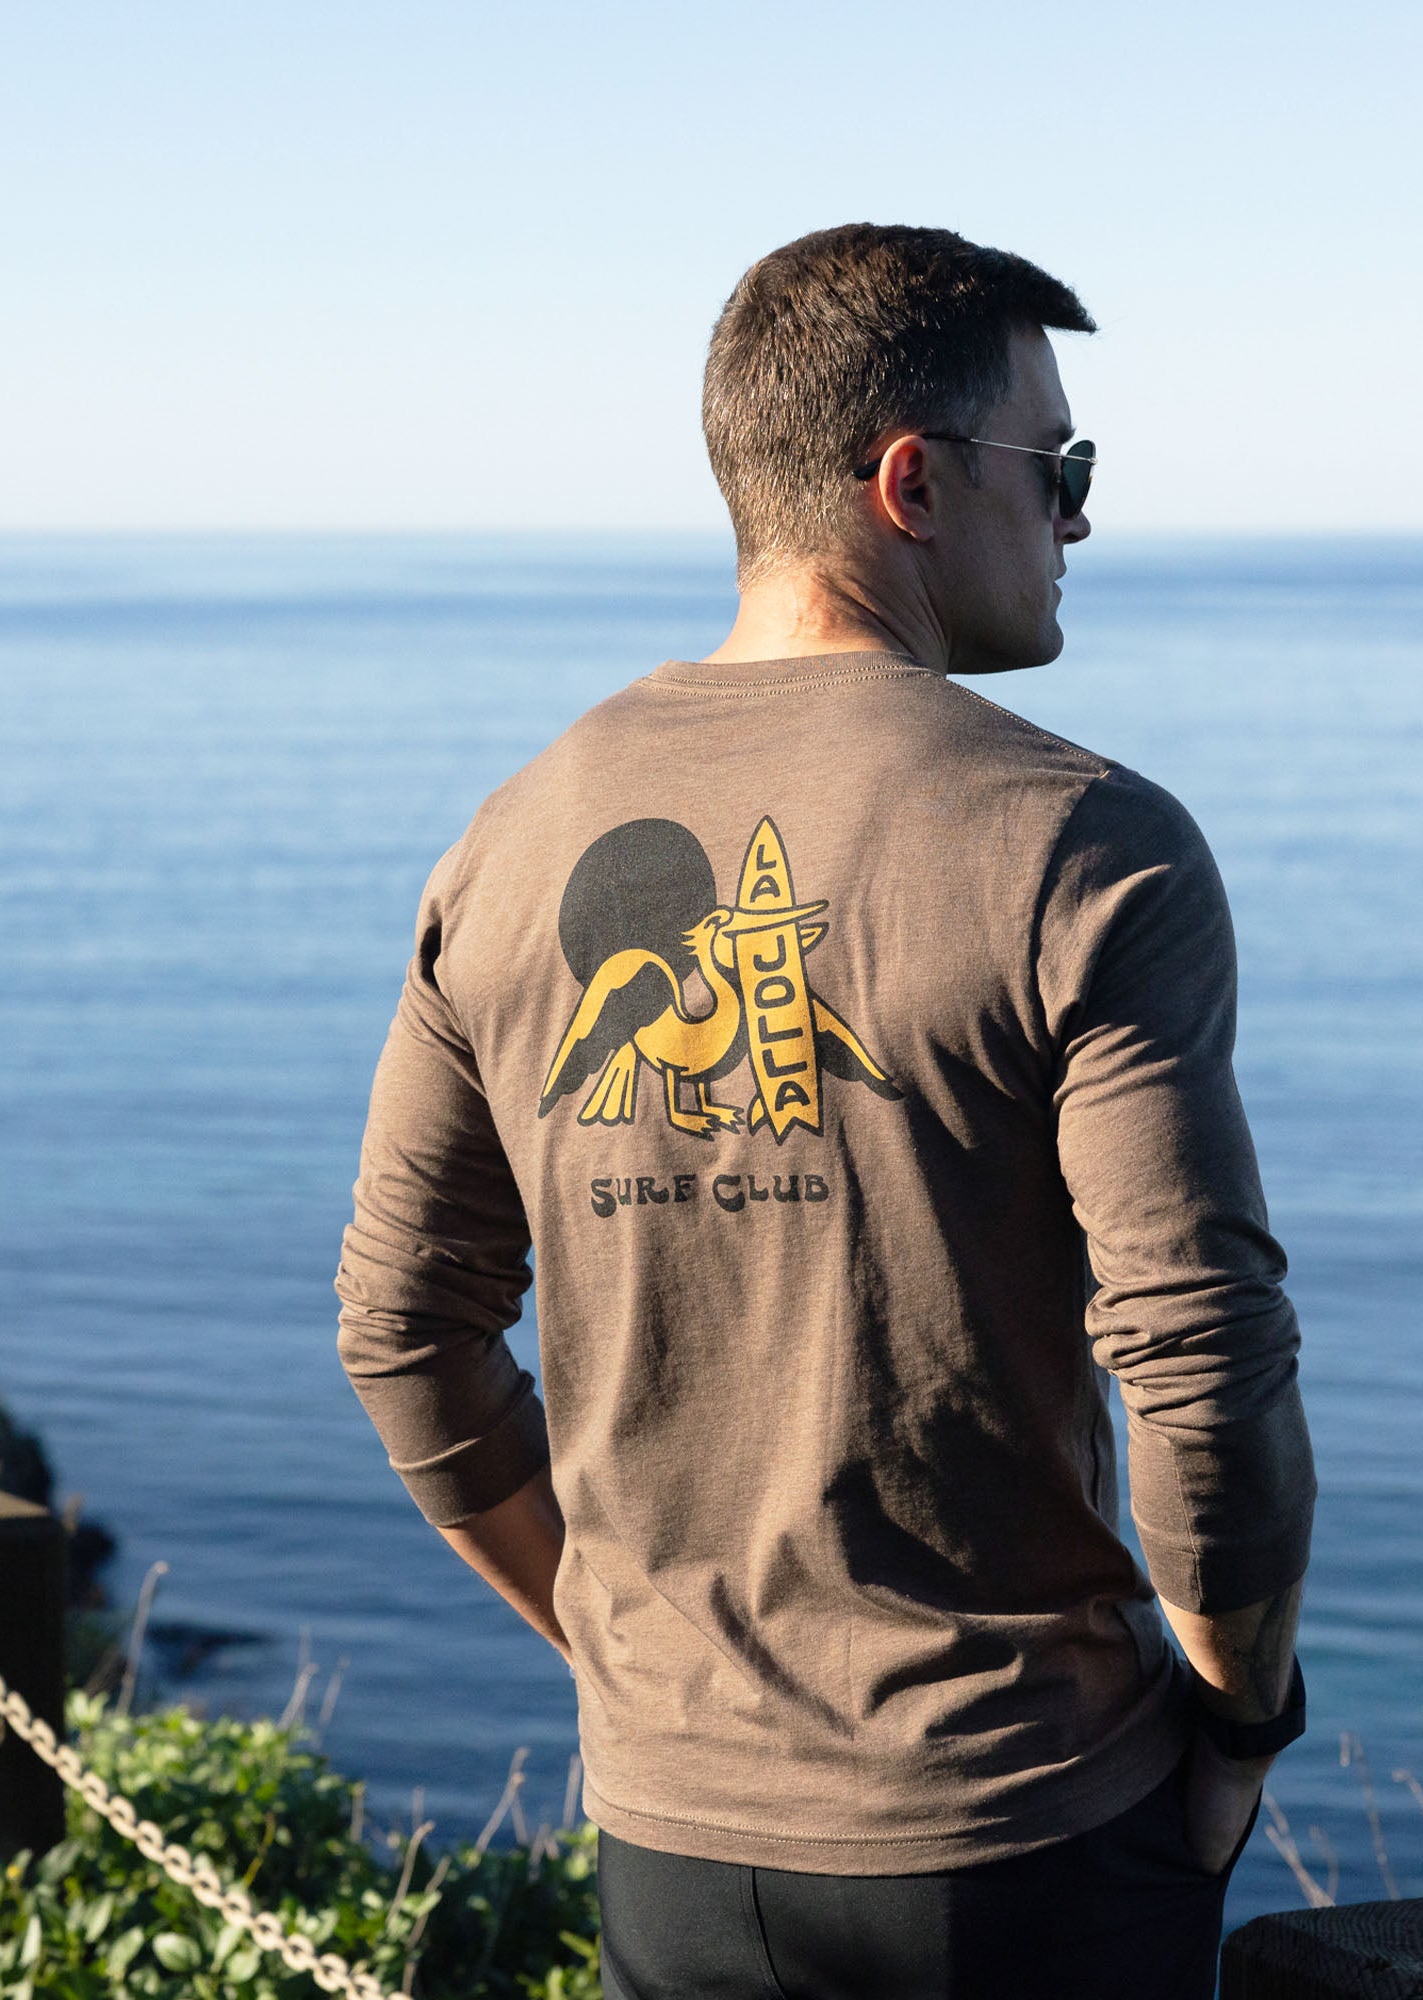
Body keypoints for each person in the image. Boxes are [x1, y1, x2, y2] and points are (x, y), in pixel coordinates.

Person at [335, 222, 1315, 2000]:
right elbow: (1199, 1361)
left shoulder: (506, 844)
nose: (1082, 520)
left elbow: (404, 1336)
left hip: (673, 1852)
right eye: (1061, 467)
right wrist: (1244, 1723)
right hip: (1025, 1838)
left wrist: (629, 1660)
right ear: (912, 484)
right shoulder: (1083, 846)